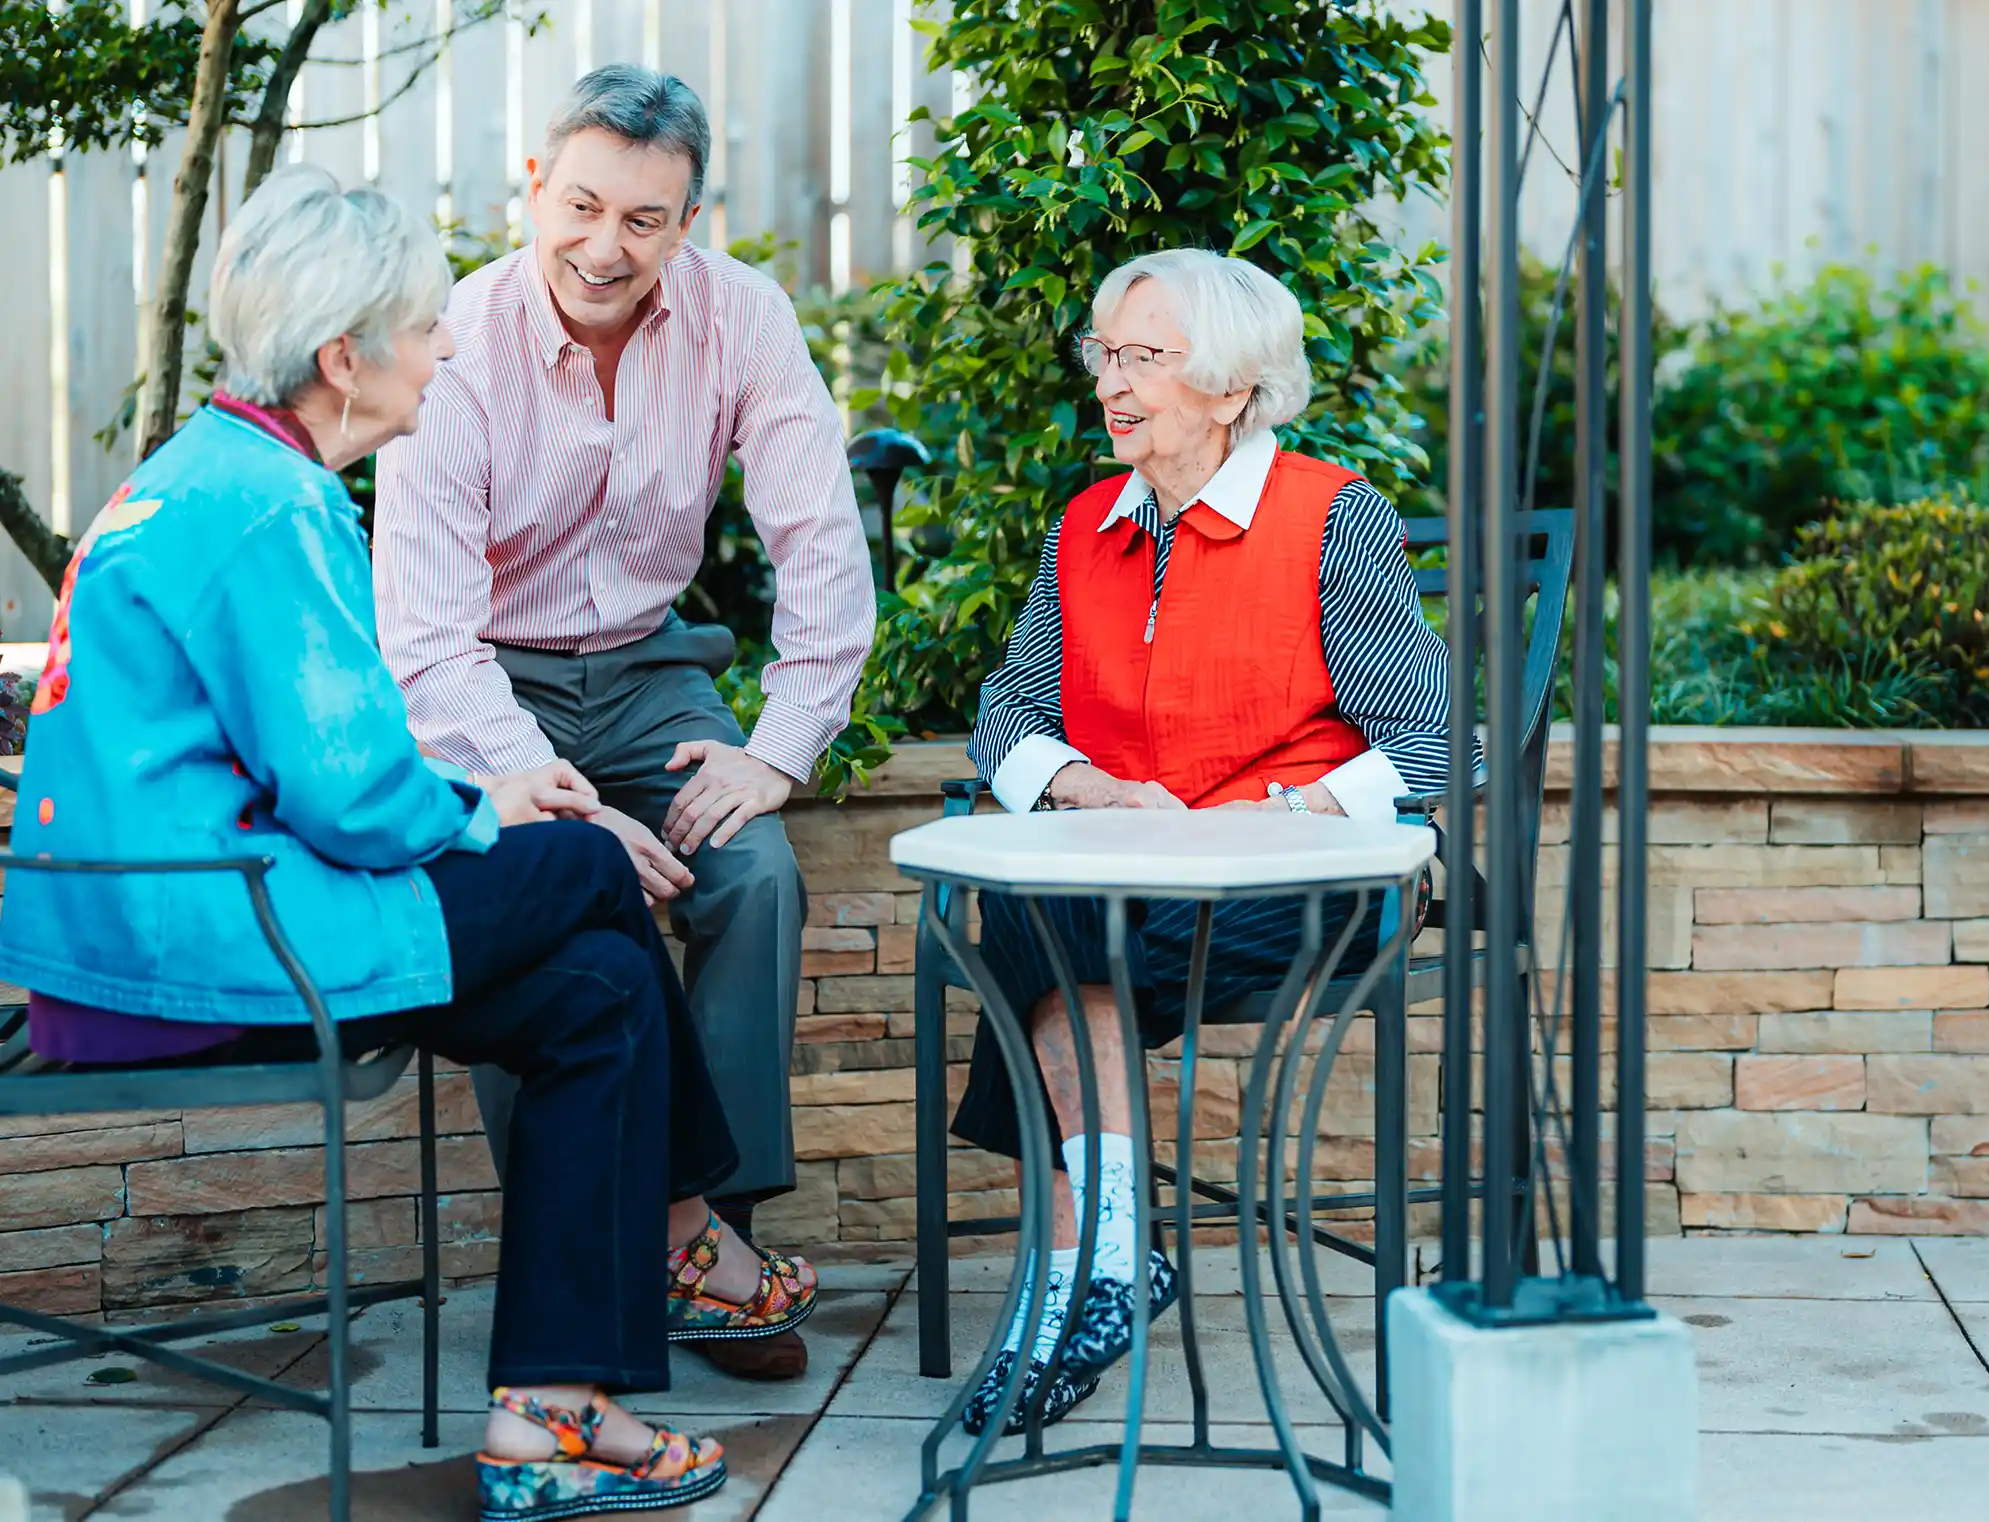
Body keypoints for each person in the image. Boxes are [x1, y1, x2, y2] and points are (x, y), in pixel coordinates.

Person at [0, 166, 815, 1522]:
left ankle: (549, 1407)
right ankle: (684, 1235)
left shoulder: (203, 473)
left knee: (599, 993)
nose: (448, 351)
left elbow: (318, 762)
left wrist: (482, 799)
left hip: (160, 928)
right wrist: (501, 804)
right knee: (593, 866)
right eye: (425, 330)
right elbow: (354, 797)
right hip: (209, 945)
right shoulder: (273, 507)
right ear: (345, 358)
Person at [373, 65, 875, 1381]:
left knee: (752, 875)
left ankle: (713, 1241)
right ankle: (593, 1240)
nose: (605, 247)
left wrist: (780, 746)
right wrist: (552, 791)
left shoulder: (743, 322)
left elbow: (820, 537)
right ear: (535, 187)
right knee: (527, 892)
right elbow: (423, 629)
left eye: (644, 220)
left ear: (688, 221)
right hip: (486, 682)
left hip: (653, 669)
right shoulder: (457, 339)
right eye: (583, 205)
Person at [952, 248, 1462, 1434]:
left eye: (1144, 358)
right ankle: (1114, 1259)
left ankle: (1078, 1272)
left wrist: (1269, 819)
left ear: (1232, 390)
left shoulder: (1332, 519)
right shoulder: (1089, 525)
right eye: (1105, 355)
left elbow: (1438, 742)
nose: (1111, 384)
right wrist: (1088, 790)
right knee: (1038, 906)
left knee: (1043, 927)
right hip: (1130, 882)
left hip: (1304, 883)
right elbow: (1008, 711)